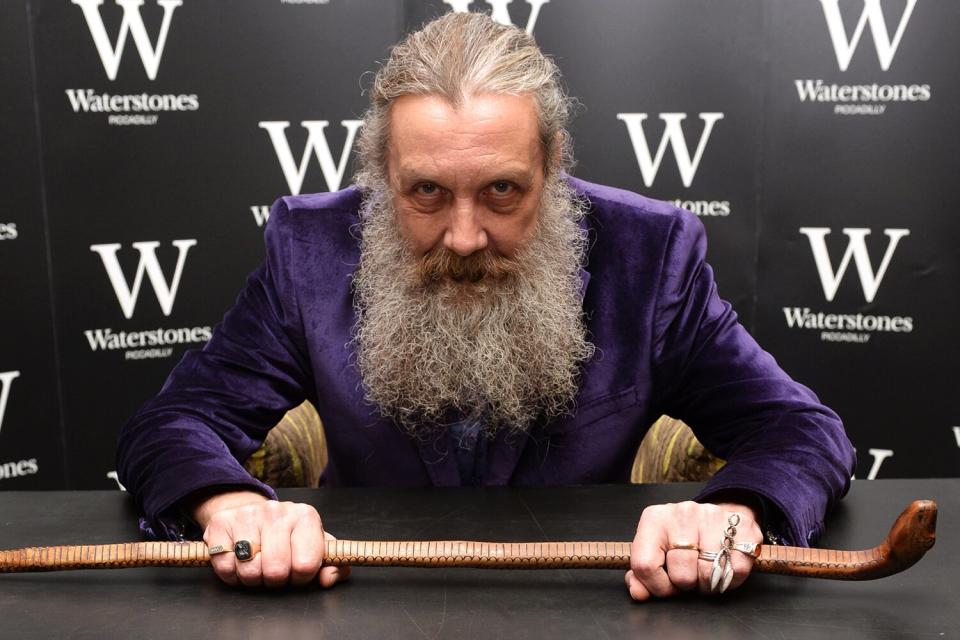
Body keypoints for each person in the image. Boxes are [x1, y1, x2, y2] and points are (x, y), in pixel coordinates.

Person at [117, 12, 855, 600]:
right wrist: (229, 505)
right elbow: (173, 422)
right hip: (360, 603)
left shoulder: (650, 256)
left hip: (588, 606)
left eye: (502, 190)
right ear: (381, 177)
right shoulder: (308, 249)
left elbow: (798, 428)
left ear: (551, 167)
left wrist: (735, 512)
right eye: (427, 192)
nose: (465, 237)